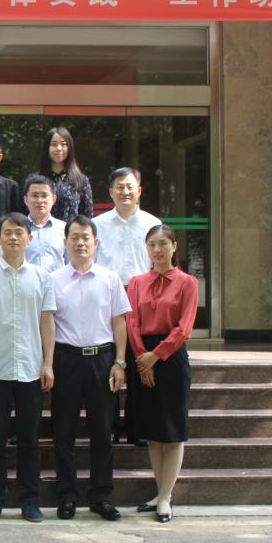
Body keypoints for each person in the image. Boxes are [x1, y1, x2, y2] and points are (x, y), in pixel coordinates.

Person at [0, 212, 56, 522]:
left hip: (32, 369)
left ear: (30, 239)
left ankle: (30, 500)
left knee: (29, 441)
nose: (14, 237)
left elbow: (47, 322)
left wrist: (48, 363)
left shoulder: (43, 277)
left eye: (20, 232)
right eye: (7, 232)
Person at [50, 216, 131, 522]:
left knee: (103, 432)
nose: (80, 243)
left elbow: (119, 321)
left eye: (86, 237)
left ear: (96, 243)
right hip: (66, 360)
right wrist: (48, 363)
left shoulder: (110, 279)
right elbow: (48, 324)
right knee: (64, 432)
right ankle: (67, 495)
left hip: (102, 360)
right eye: (74, 237)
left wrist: (120, 362)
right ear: (65, 242)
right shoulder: (53, 279)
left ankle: (100, 496)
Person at [128, 225, 198, 523]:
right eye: (151, 245)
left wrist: (155, 356)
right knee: (154, 433)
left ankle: (166, 497)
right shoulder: (137, 282)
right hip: (142, 355)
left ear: (174, 246)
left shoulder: (187, 282)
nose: (156, 250)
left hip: (170, 358)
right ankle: (159, 493)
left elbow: (184, 327)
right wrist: (142, 359)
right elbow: (131, 322)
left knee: (173, 432)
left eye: (162, 244)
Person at [94, 167, 162, 447]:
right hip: (107, 298)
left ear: (139, 191)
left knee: (138, 362)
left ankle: (137, 427)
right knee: (108, 361)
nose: (125, 192)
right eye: (119, 187)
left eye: (130, 187)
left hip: (142, 299)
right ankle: (110, 426)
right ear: (111, 192)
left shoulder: (152, 224)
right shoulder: (98, 225)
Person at [40, 126, 94, 222]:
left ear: (70, 148)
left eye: (63, 144)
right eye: (53, 144)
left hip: (71, 231)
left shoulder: (81, 180)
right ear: (47, 148)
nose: (59, 148)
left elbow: (87, 217)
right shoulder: (37, 179)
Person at [23, 174, 67, 273]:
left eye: (44, 195)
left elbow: (70, 262)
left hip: (56, 282)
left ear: (53, 199)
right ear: (26, 200)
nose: (40, 200)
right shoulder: (18, 229)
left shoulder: (64, 229)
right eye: (35, 196)